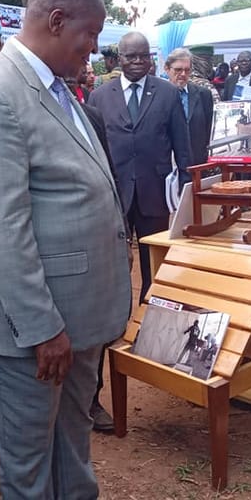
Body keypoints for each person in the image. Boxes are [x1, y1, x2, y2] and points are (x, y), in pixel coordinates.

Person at [0, 0, 132, 499]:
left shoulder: (56, 86)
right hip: (31, 323)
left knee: (71, 438)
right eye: (90, 34)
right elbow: (3, 225)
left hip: (74, 309)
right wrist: (42, 328)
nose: (94, 49)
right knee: (29, 460)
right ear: (55, 20)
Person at [89, 31, 192, 303]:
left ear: (151, 59)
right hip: (114, 194)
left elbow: (182, 144)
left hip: (154, 192)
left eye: (143, 56)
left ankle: (151, 314)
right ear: (119, 59)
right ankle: (118, 319)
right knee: (115, 264)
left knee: (154, 263)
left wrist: (185, 183)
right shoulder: (99, 97)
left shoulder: (167, 93)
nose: (137, 61)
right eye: (131, 56)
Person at [166, 48, 214, 166]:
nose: (183, 74)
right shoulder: (158, 95)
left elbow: (208, 129)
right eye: (178, 70)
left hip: (197, 163)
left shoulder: (204, 94)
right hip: (168, 164)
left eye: (187, 70)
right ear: (167, 69)